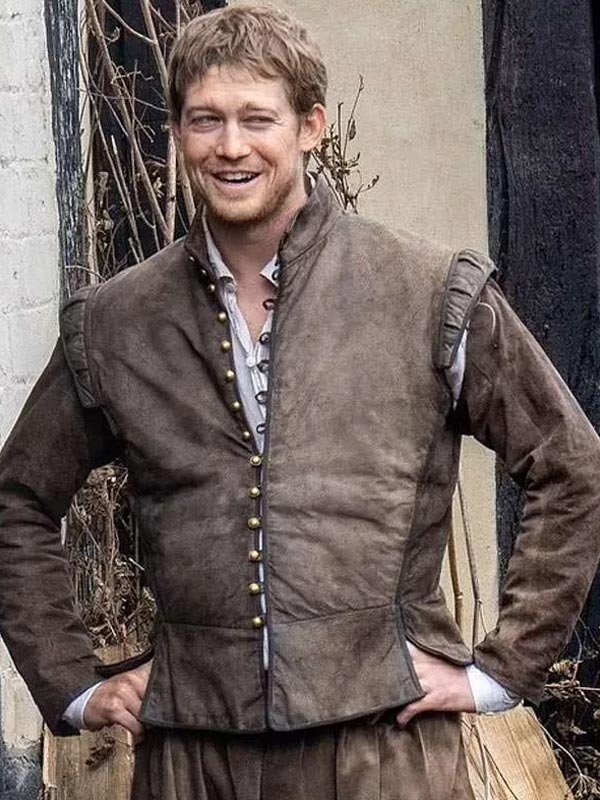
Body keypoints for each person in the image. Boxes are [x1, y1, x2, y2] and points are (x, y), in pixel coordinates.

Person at [0, 5, 599, 799]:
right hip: (192, 762)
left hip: (386, 753)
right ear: (177, 131)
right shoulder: (118, 322)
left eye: (257, 119)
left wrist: (500, 669)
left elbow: (571, 465)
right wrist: (75, 683)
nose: (231, 146)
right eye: (206, 120)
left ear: (311, 126)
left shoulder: (426, 291)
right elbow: (17, 501)